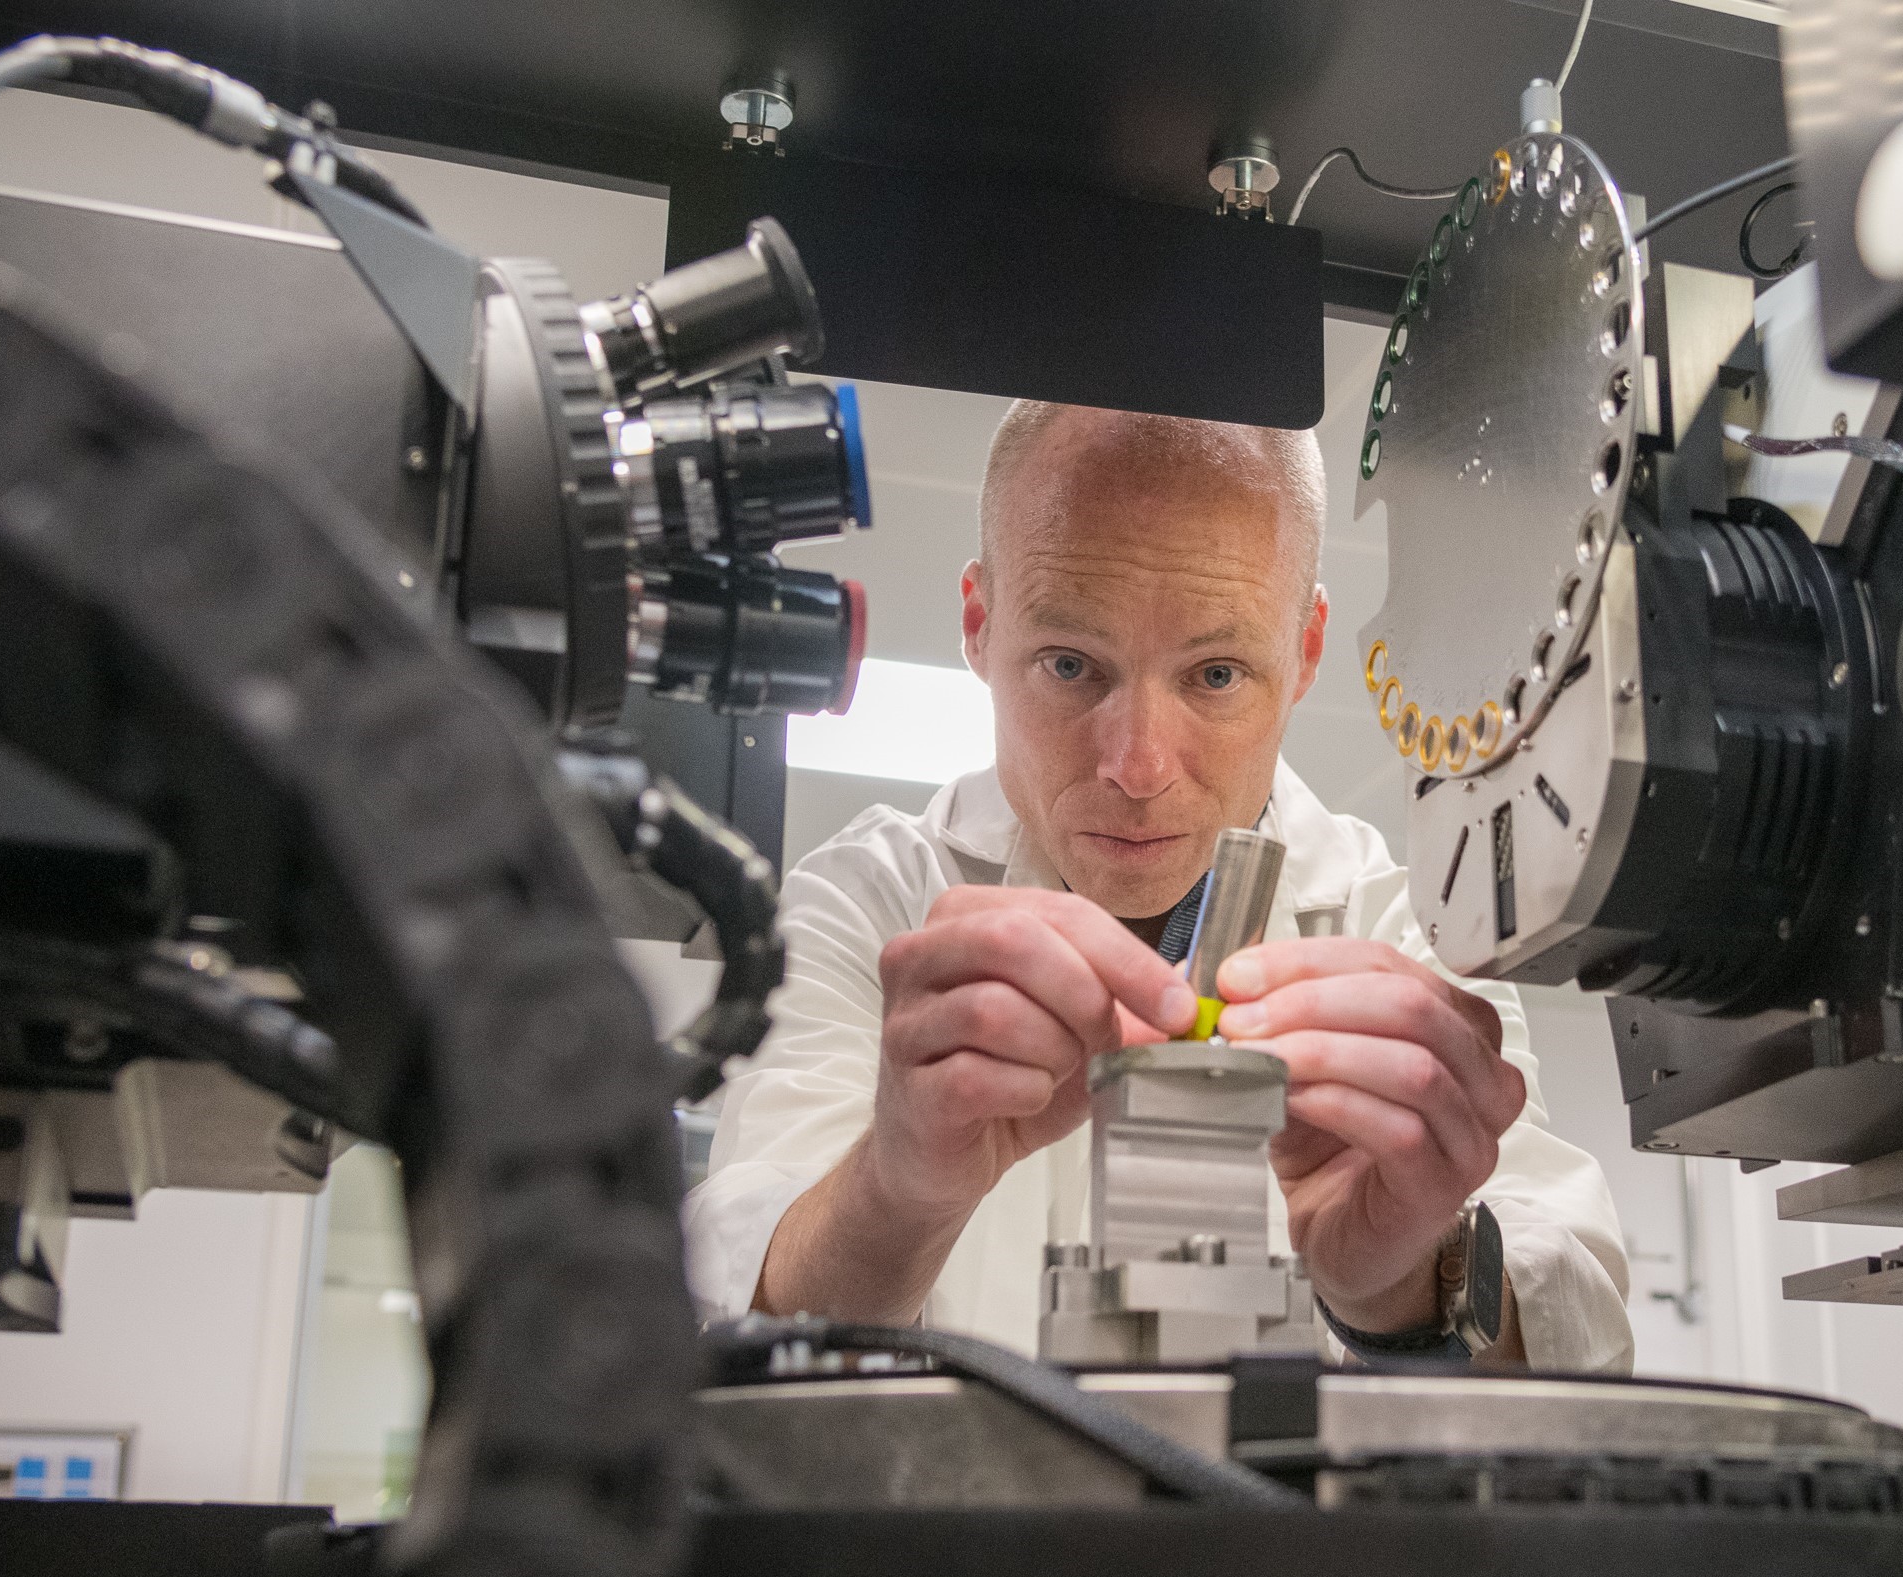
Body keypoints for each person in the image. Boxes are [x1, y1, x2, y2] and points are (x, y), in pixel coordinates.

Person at [683, 400, 1631, 1372]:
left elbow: (1580, 1323)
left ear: (1302, 651)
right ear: (978, 624)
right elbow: (737, 1302)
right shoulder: (866, 900)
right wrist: (898, 1185)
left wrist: (1398, 1278)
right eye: (1069, 665)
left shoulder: (1400, 930)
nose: (1137, 765)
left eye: (1215, 673)